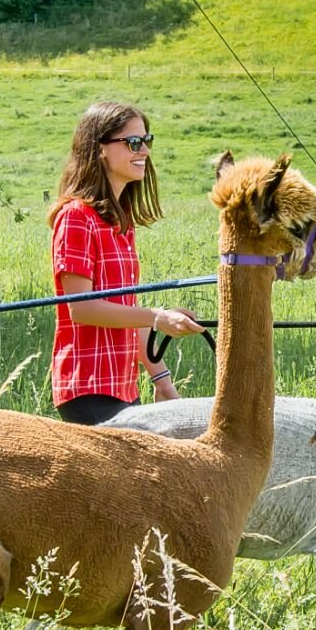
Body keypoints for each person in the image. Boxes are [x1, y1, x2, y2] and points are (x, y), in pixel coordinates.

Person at [49, 101, 204, 425]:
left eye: (147, 140)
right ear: (100, 148)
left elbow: (126, 311)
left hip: (122, 386)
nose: (144, 150)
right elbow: (82, 308)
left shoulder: (121, 223)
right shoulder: (76, 216)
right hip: (87, 388)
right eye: (133, 142)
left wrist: (161, 380)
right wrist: (158, 317)